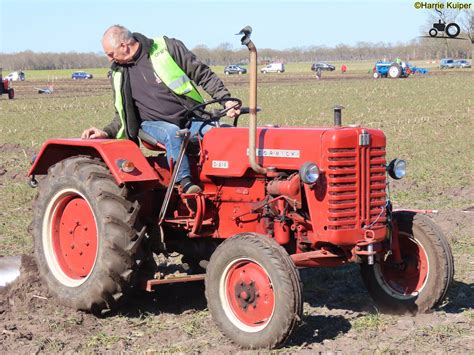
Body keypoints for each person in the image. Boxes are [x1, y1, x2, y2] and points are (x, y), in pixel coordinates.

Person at [81, 25, 240, 193]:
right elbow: (121, 115)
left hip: (188, 119)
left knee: (221, 134)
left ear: (124, 46)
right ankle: (185, 183)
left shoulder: (166, 48)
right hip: (151, 125)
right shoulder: (118, 73)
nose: (109, 59)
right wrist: (105, 132)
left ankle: (229, 185)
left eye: (110, 54)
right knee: (172, 132)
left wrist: (226, 101)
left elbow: (202, 74)